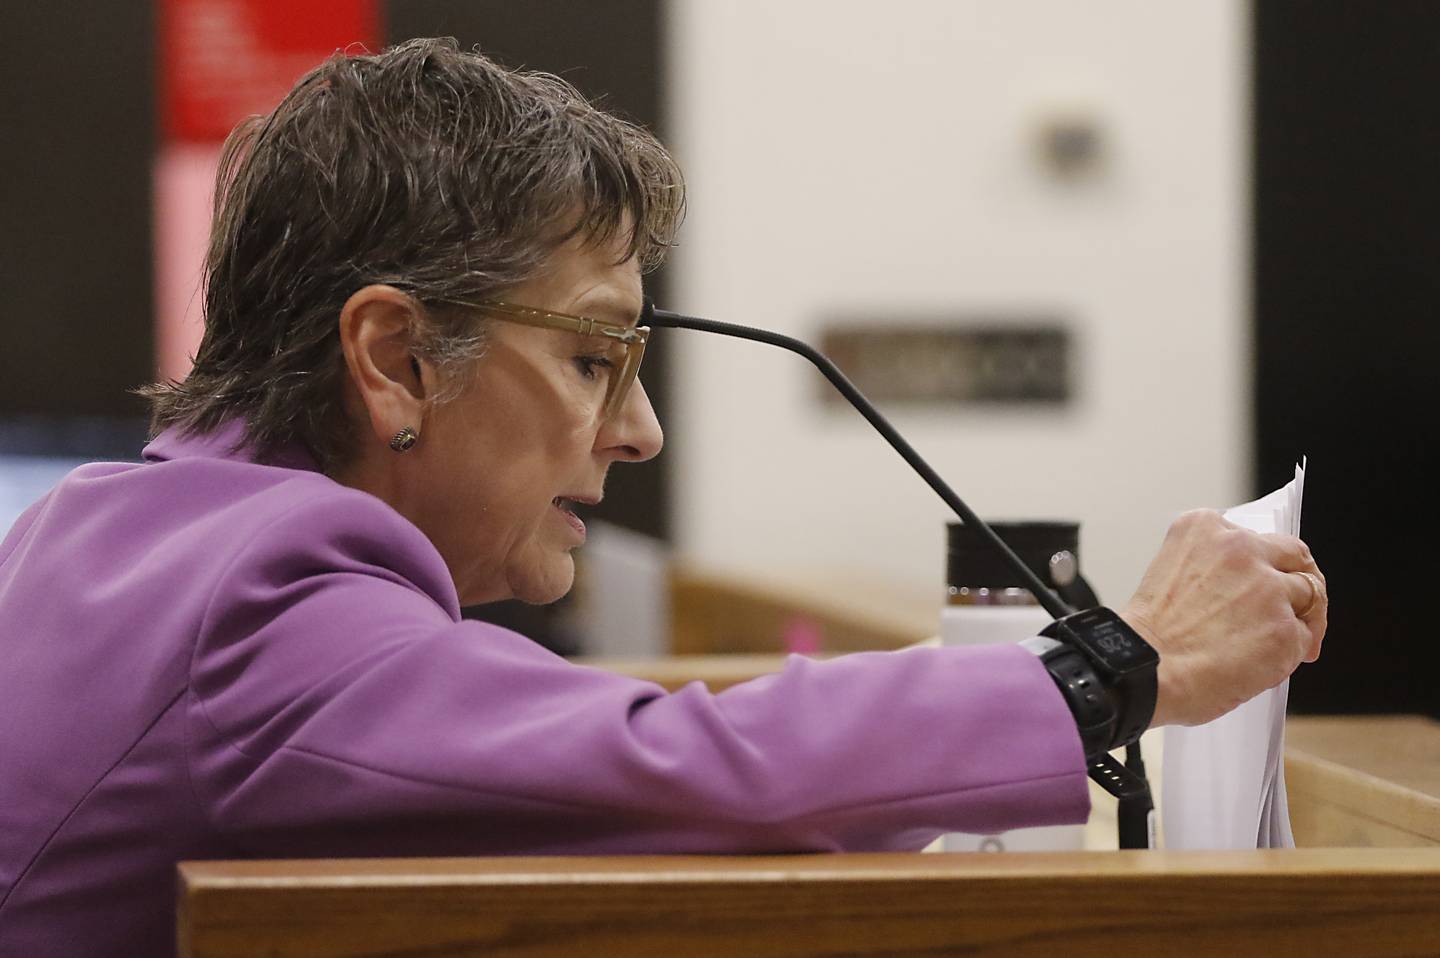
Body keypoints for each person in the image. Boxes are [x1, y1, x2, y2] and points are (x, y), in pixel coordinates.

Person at [0, 38, 1327, 956]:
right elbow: (702, 774)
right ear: (396, 357)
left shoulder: (112, 528)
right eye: (591, 358)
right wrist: (1114, 665)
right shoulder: (262, 601)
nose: (639, 432)